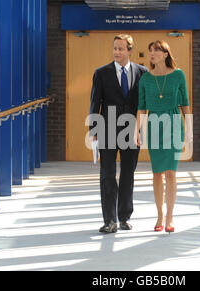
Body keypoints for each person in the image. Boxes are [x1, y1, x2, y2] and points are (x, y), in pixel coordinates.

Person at [89, 34, 148, 233]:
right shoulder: (101, 73)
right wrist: (94, 130)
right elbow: (95, 103)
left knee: (127, 175)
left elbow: (143, 104)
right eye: (115, 48)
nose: (117, 52)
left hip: (132, 131)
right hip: (106, 129)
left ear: (130, 50)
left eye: (121, 49)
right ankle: (109, 220)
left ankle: (124, 217)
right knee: (107, 175)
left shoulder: (143, 72)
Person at [135, 40, 193, 233]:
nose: (152, 54)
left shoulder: (178, 75)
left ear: (165, 54)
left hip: (174, 121)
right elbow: (141, 107)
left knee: (171, 172)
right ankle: (159, 214)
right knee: (157, 172)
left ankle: (170, 216)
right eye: (150, 50)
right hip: (153, 124)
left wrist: (189, 128)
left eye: (156, 51)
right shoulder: (145, 79)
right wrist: (137, 131)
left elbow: (185, 102)